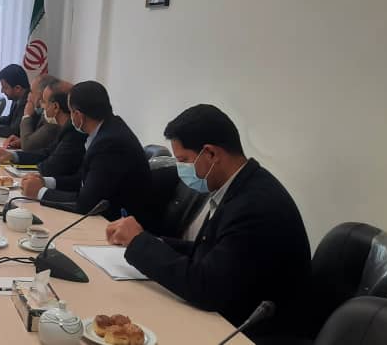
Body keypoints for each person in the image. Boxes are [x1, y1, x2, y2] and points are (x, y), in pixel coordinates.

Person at [105, 104, 312, 341]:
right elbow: (211, 251)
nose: (181, 169)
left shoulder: (255, 207)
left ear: (211, 154)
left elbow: (206, 287)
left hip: (250, 333)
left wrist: (140, 243)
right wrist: (151, 240)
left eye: (184, 160)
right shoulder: (241, 185)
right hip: (231, 311)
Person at [20, 81, 158, 227]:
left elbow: (86, 204)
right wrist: (46, 182)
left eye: (71, 111)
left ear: (78, 115)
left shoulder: (110, 143)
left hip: (120, 224)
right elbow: (84, 180)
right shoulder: (108, 130)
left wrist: (40, 192)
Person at [0, 79, 86, 182]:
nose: (41, 105)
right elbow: (46, 153)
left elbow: (49, 167)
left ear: (55, 107)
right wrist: (12, 156)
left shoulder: (73, 132)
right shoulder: (65, 127)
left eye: (44, 101)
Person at [4, 74, 61, 156]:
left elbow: (28, 146)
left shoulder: (52, 119)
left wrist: (26, 116)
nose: (28, 95)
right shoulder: (41, 113)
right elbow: (35, 141)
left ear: (41, 95)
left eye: (31, 91)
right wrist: (21, 141)